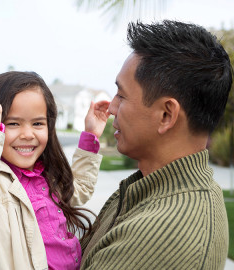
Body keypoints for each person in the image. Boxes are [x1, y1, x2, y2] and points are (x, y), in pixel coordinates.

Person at [80, 20, 232, 270]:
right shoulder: (159, 189)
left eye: (122, 95)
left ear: (166, 115)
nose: (112, 109)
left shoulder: (157, 235)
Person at [0, 67, 110, 269]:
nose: (27, 134)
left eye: (37, 123)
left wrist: (91, 136)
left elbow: (79, 191)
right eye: (13, 123)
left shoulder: (45, 175)